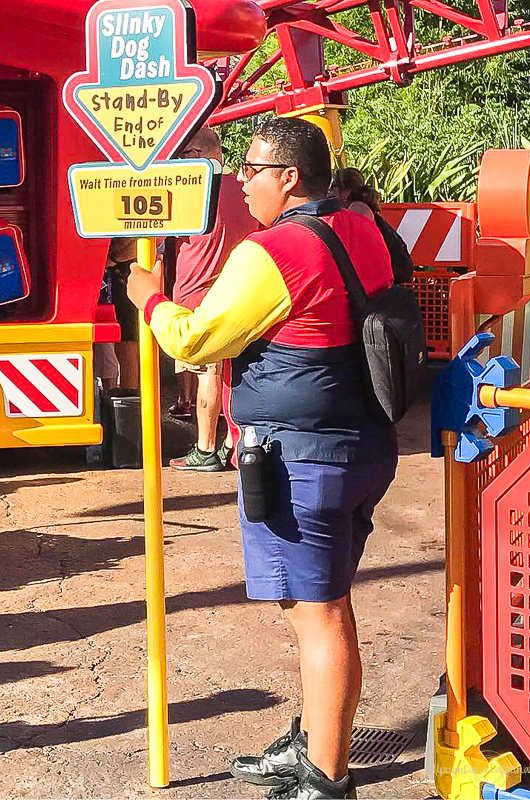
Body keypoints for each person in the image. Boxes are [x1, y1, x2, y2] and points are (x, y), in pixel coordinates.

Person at [127, 117, 398, 800]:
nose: (240, 180)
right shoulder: (363, 227)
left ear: (289, 177)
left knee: (320, 614)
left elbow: (196, 341)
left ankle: (327, 779)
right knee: (323, 605)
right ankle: (313, 744)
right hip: (363, 443)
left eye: (251, 168)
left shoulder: (270, 251)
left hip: (302, 457)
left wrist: (149, 298)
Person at [168, 127, 257, 471]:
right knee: (232, 373)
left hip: (196, 290)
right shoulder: (244, 188)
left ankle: (205, 448)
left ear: (194, 156)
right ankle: (232, 442)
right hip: (242, 289)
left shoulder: (191, 189)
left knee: (208, 372)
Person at [330, 167, 415, 284]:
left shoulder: (357, 210)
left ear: (346, 192)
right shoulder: (359, 207)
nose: (329, 191)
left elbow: (357, 249)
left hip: (392, 272)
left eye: (333, 186)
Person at [106, 237, 140, 389]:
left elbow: (135, 235)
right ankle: (131, 390)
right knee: (128, 337)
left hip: (127, 272)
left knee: (127, 337)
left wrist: (112, 256)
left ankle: (130, 391)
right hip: (129, 271)